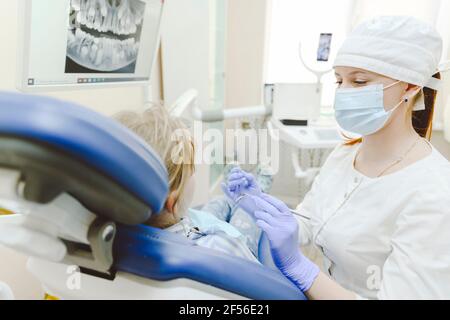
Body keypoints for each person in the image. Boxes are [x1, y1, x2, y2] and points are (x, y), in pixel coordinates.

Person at [223, 16, 450, 299]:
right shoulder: (346, 154)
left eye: (359, 81)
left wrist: (300, 268)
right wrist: (267, 209)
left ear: (410, 87)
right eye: (339, 80)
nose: (343, 93)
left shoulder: (435, 194)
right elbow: (312, 219)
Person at [114, 106, 267, 263]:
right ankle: (258, 189)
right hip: (226, 243)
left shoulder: (110, 238)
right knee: (248, 207)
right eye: (192, 170)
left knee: (219, 202)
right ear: (172, 201)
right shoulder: (224, 247)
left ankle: (232, 192)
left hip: (188, 225)